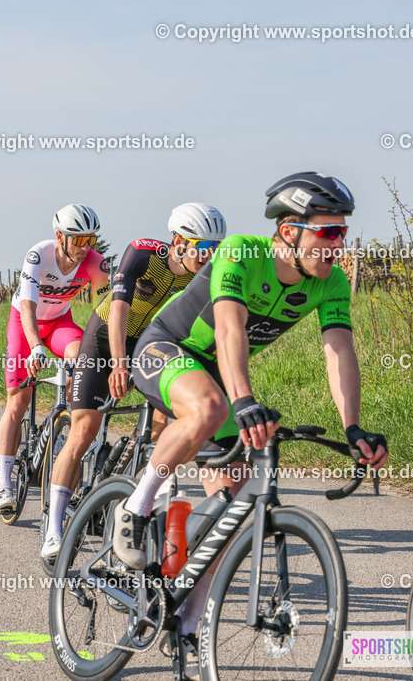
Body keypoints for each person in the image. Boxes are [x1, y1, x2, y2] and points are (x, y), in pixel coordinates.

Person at [111, 172, 389, 678]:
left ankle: (189, 627)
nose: (337, 245)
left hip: (219, 373)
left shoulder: (331, 280)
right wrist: (243, 402)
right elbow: (228, 328)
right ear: (288, 232)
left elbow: (339, 349)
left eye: (342, 233)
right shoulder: (241, 253)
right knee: (210, 408)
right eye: (327, 233)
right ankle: (134, 506)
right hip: (168, 347)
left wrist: (353, 427)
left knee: (232, 507)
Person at [40, 203, 226, 560]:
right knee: (84, 431)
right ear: (179, 241)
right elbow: (119, 308)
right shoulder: (143, 253)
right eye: (203, 248)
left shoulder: (209, 274)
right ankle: (54, 529)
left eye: (216, 249)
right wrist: (119, 365)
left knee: (163, 424)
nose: (210, 257)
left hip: (153, 344)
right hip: (106, 334)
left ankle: (130, 493)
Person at [0, 204, 111, 513]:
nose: (87, 248)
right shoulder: (39, 255)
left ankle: (56, 423)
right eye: (79, 240)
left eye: (91, 240)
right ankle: (4, 481)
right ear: (60, 236)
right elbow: (28, 308)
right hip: (25, 323)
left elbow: (108, 310)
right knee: (18, 401)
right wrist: (35, 347)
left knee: (83, 358)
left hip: (60, 322)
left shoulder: (97, 265)